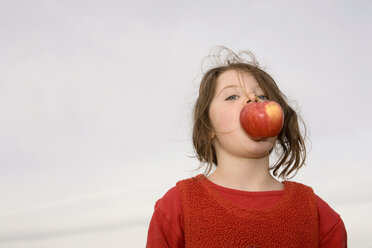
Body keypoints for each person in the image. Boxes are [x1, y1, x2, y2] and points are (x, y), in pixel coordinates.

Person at [146, 47, 347, 247]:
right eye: (232, 96)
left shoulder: (318, 215)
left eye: (264, 96)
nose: (253, 99)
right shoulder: (176, 207)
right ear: (208, 128)